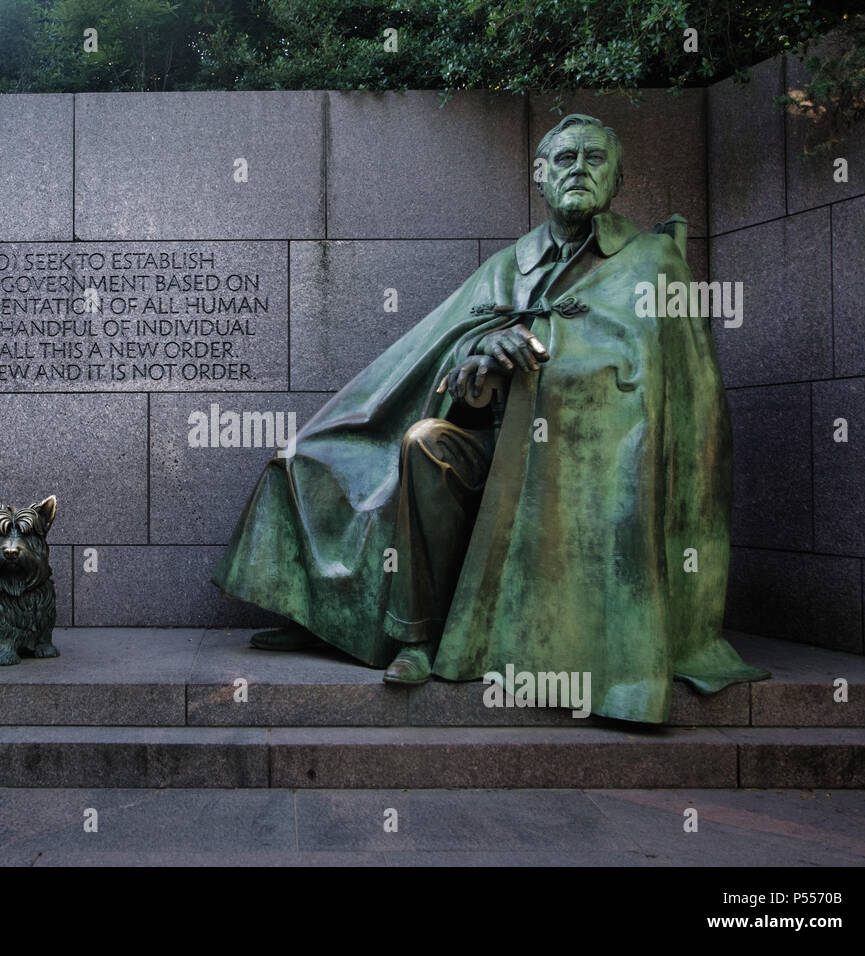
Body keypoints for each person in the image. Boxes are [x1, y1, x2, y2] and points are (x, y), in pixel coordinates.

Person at [211, 114, 768, 724]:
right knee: (415, 444)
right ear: (540, 176)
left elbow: (670, 395)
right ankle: (411, 635)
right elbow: (449, 369)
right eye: (564, 160)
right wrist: (483, 356)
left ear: (618, 176)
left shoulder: (652, 262)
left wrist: (551, 359)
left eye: (593, 158)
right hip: (495, 449)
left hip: (589, 471)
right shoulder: (510, 265)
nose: (578, 169)